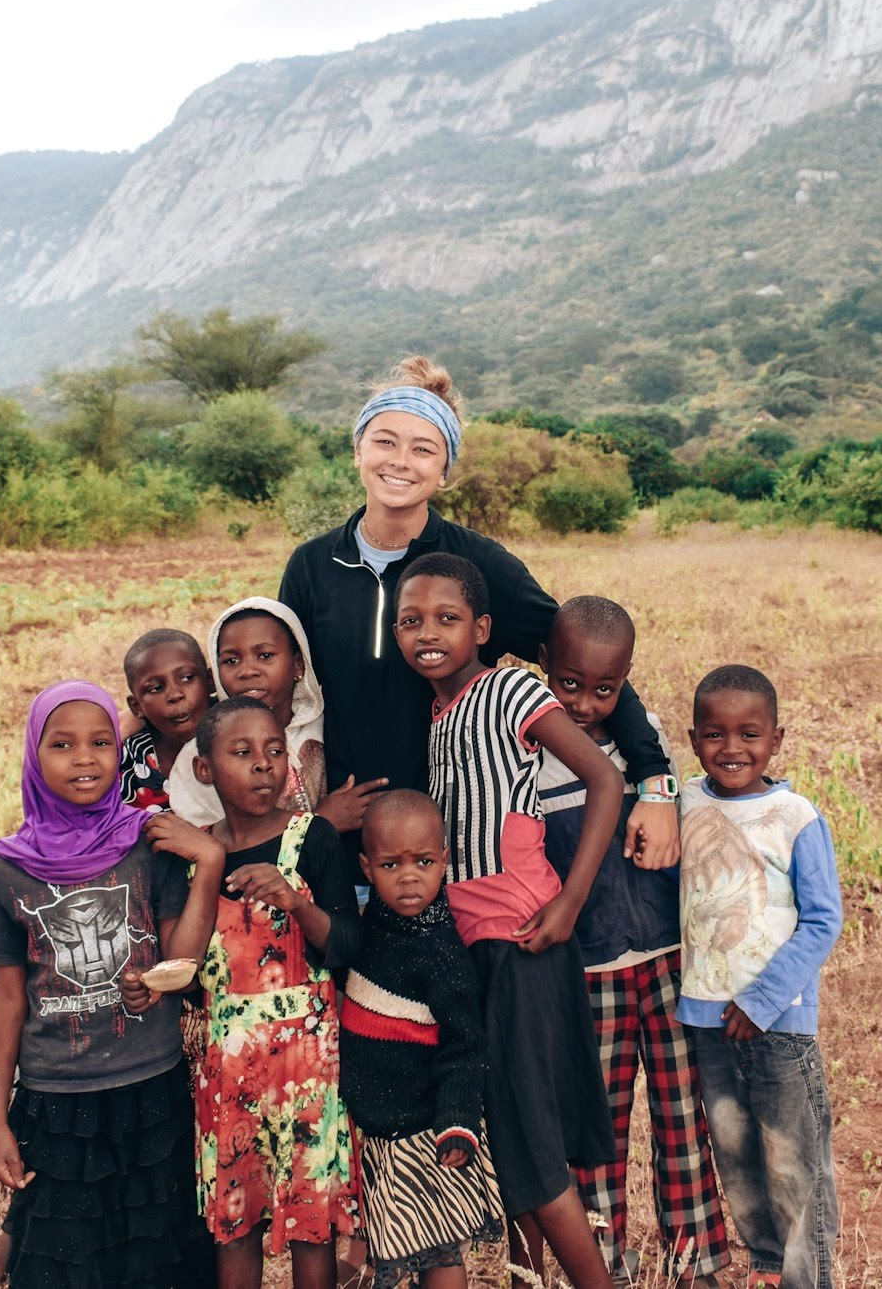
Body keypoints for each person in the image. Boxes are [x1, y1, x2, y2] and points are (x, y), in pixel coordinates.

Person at [277, 355, 679, 878]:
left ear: (444, 472)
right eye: (384, 441)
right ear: (357, 451)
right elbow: (283, 693)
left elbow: (583, 661)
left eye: (424, 450)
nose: (400, 460)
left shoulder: (477, 565)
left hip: (460, 840)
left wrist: (655, 782)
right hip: (344, 840)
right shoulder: (311, 566)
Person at [392, 552, 622, 1289]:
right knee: (507, 1130)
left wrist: (570, 900)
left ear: (482, 628)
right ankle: (529, 1274)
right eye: (410, 619)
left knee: (534, 1155)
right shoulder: (436, 715)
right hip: (476, 948)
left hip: (523, 939)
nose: (426, 632)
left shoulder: (511, 688)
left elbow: (604, 777)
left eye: (447, 618)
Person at [0, 681, 222, 1287]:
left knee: (156, 1259)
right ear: (34, 755)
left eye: (101, 742)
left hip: (152, 1088)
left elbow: (180, 962)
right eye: (62, 744)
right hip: (55, 1098)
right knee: (67, 1261)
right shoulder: (7, 869)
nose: (84, 758)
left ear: (121, 751)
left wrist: (209, 864)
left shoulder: (146, 840)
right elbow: (8, 999)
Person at [537, 598, 728, 1288]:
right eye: (569, 684)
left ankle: (696, 1258)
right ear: (543, 670)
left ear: (626, 682)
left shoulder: (641, 733)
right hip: (588, 970)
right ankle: (604, 1258)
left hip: (667, 958)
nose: (585, 704)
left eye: (603, 688)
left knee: (682, 1114)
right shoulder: (532, 752)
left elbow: (673, 800)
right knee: (599, 1123)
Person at [155, 696, 362, 1289]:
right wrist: (211, 865)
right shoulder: (191, 855)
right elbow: (182, 967)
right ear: (204, 769)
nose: (263, 765)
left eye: (275, 751)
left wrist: (297, 902)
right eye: (242, 753)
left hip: (311, 1067)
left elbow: (348, 942)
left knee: (311, 1219)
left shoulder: (313, 837)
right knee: (235, 1220)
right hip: (227, 1068)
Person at [677, 666, 844, 1289]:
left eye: (750, 734)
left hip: (777, 1028)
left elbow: (824, 919)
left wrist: (764, 1000)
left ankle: (811, 1279)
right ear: (694, 740)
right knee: (740, 1163)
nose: (732, 749)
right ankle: (769, 1270)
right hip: (707, 1021)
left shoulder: (795, 815)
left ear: (777, 739)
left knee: (794, 1169)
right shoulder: (687, 803)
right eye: (715, 734)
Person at [339, 790, 503, 1289]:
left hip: (426, 1132)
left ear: (444, 862)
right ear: (367, 868)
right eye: (391, 864)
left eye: (424, 862)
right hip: (376, 1131)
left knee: (438, 1251)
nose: (408, 876)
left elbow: (465, 1045)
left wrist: (456, 1121)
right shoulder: (370, 928)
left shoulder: (440, 950)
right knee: (391, 1245)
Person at [158, 597, 387, 836]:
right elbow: (206, 845)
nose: (247, 671)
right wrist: (318, 823)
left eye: (265, 656)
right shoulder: (202, 753)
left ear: (298, 664)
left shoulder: (330, 727)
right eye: (231, 661)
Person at [119, 628, 213, 810]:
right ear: (136, 707)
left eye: (187, 678)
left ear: (210, 681)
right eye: (155, 688)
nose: (175, 695)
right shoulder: (126, 759)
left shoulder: (241, 742)